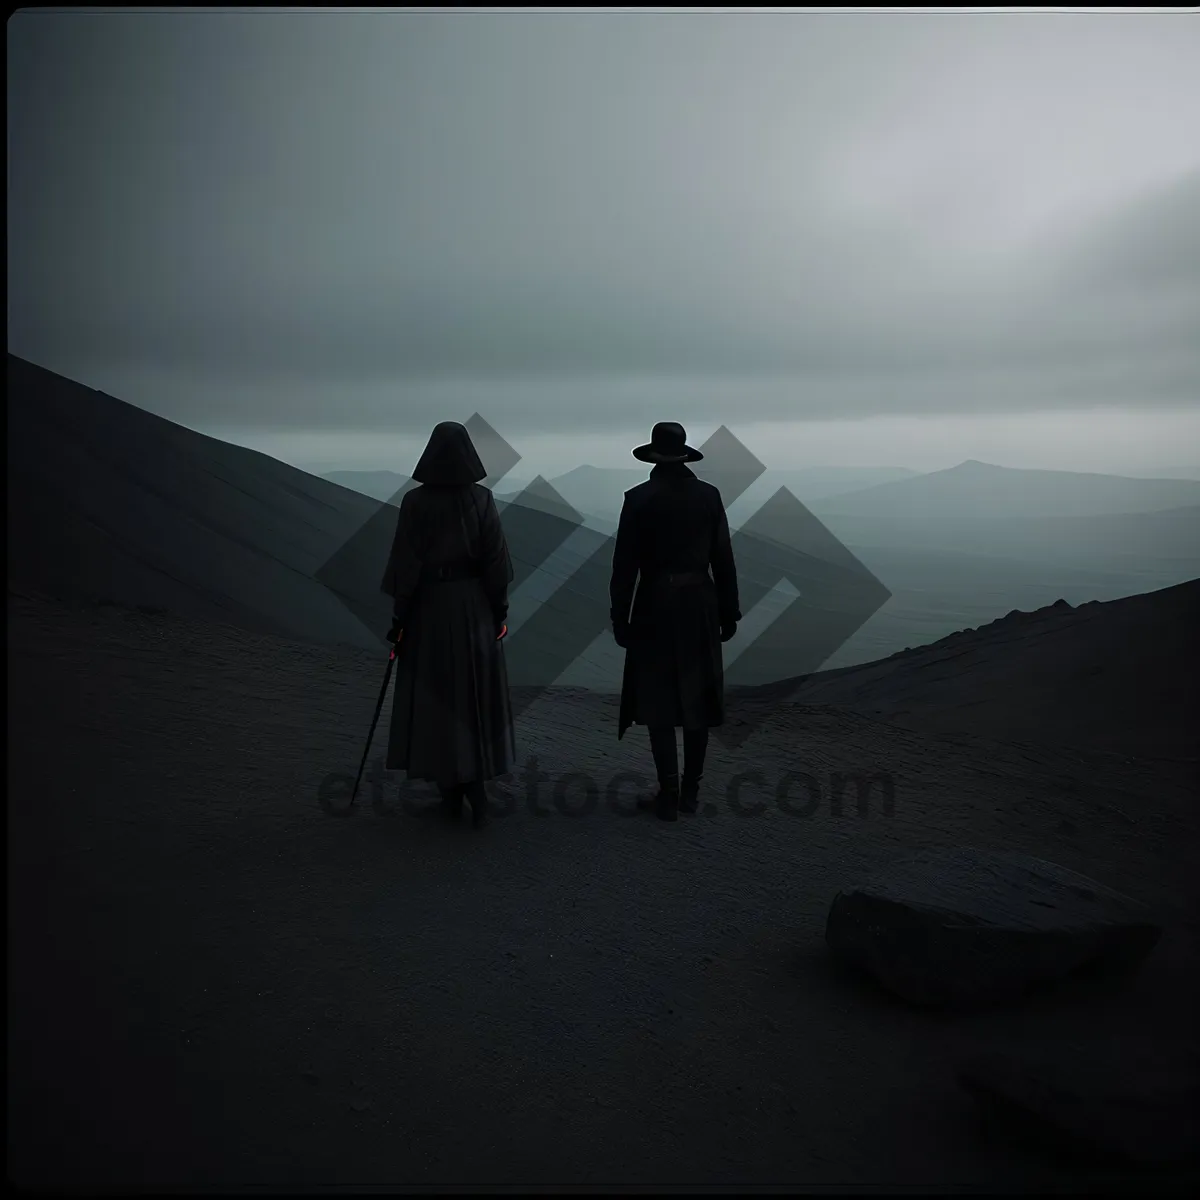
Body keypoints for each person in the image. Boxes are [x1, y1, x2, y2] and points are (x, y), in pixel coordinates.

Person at [380, 421, 516, 828]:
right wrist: (499, 612)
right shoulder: (482, 499)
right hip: (474, 607)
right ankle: (475, 793)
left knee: (437, 697)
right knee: (472, 696)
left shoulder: (415, 503)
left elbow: (407, 565)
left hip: (430, 610)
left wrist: (400, 619)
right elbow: (495, 562)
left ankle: (452, 795)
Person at [609, 421, 741, 822]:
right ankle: (691, 794)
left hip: (654, 605)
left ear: (653, 456)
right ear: (685, 454)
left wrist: (620, 616)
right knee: (697, 699)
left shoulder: (638, 498)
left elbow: (624, 566)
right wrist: (728, 609)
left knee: (659, 699)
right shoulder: (709, 496)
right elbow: (722, 558)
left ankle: (668, 794)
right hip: (700, 603)